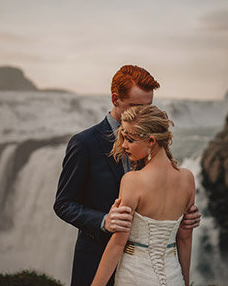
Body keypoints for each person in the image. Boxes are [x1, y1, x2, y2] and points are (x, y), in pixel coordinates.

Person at [54, 65, 200, 286]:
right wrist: (104, 221)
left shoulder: (151, 141)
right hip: (97, 260)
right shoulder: (84, 144)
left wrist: (183, 216)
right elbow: (63, 203)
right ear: (115, 99)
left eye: (148, 107)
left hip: (146, 270)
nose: (143, 113)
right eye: (136, 106)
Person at [91, 105, 195, 286]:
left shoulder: (132, 180)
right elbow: (185, 238)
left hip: (135, 277)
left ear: (151, 141)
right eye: (123, 137)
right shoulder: (187, 178)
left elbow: (117, 244)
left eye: (129, 139)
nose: (123, 145)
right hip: (174, 277)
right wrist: (185, 281)